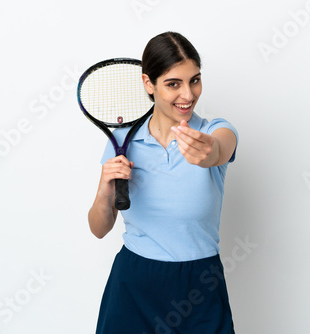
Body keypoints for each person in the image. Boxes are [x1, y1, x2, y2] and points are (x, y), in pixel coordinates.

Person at [89, 31, 238, 334]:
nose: (188, 94)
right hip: (134, 282)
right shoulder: (122, 141)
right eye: (173, 83)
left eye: (194, 80)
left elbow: (220, 148)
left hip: (201, 283)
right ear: (149, 84)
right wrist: (105, 190)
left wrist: (208, 151)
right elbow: (99, 229)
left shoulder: (214, 131)